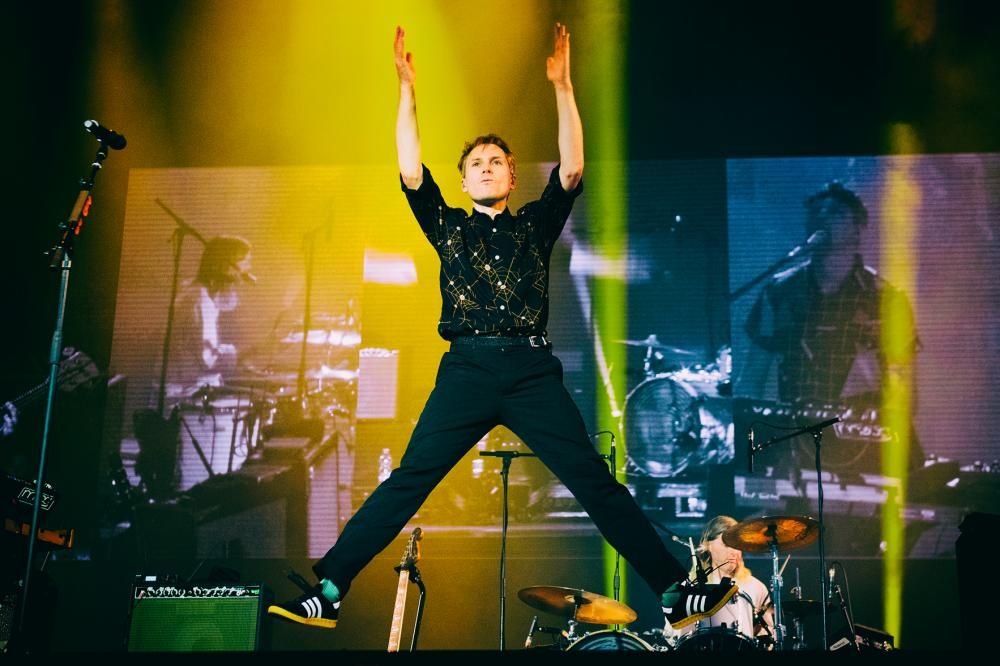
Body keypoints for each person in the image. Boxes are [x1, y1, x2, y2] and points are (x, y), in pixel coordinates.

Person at [267, 22, 736, 631]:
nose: (486, 168)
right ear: (463, 181)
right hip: (467, 369)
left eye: (496, 162)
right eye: (476, 164)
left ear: (512, 177)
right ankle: (329, 588)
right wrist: (407, 90)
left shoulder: (534, 225)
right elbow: (410, 170)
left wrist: (563, 87)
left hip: (530, 371)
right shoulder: (449, 228)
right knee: (409, 480)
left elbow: (572, 169)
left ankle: (673, 591)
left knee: (593, 480)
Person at [742, 181, 919, 406]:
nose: (822, 216)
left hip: (862, 426)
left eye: (836, 212)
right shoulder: (779, 291)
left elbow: (905, 389)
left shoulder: (888, 299)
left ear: (857, 228)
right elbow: (751, 379)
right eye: (815, 211)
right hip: (797, 425)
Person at [664, 516, 773, 647]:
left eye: (736, 545)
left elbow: (768, 634)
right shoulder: (686, 587)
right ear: (708, 545)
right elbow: (671, 635)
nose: (734, 552)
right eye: (726, 544)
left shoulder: (756, 587)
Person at [167, 235, 254, 394]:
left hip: (192, 385)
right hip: (184, 393)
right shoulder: (200, 301)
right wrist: (253, 349)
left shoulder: (203, 296)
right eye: (244, 261)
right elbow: (208, 360)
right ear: (225, 267)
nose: (248, 269)